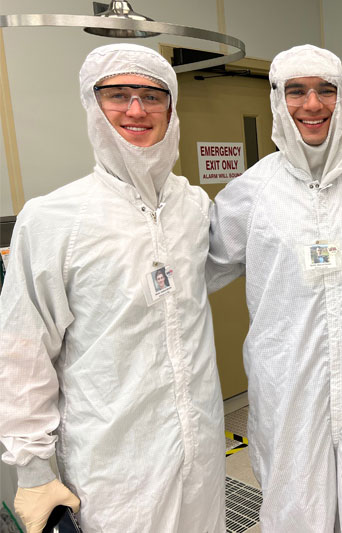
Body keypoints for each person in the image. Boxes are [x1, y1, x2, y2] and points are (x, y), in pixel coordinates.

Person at [0, 44, 225, 533]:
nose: (136, 110)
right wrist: (34, 470)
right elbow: (21, 351)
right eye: (117, 94)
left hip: (200, 454)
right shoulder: (53, 219)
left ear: (171, 108)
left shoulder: (193, 207)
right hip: (115, 469)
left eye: (151, 95)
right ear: (91, 104)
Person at [206, 44, 342, 531]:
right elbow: (196, 269)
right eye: (297, 91)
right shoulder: (252, 190)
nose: (312, 105)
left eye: (325, 90)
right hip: (286, 383)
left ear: (341, 97)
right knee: (293, 504)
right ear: (276, 100)